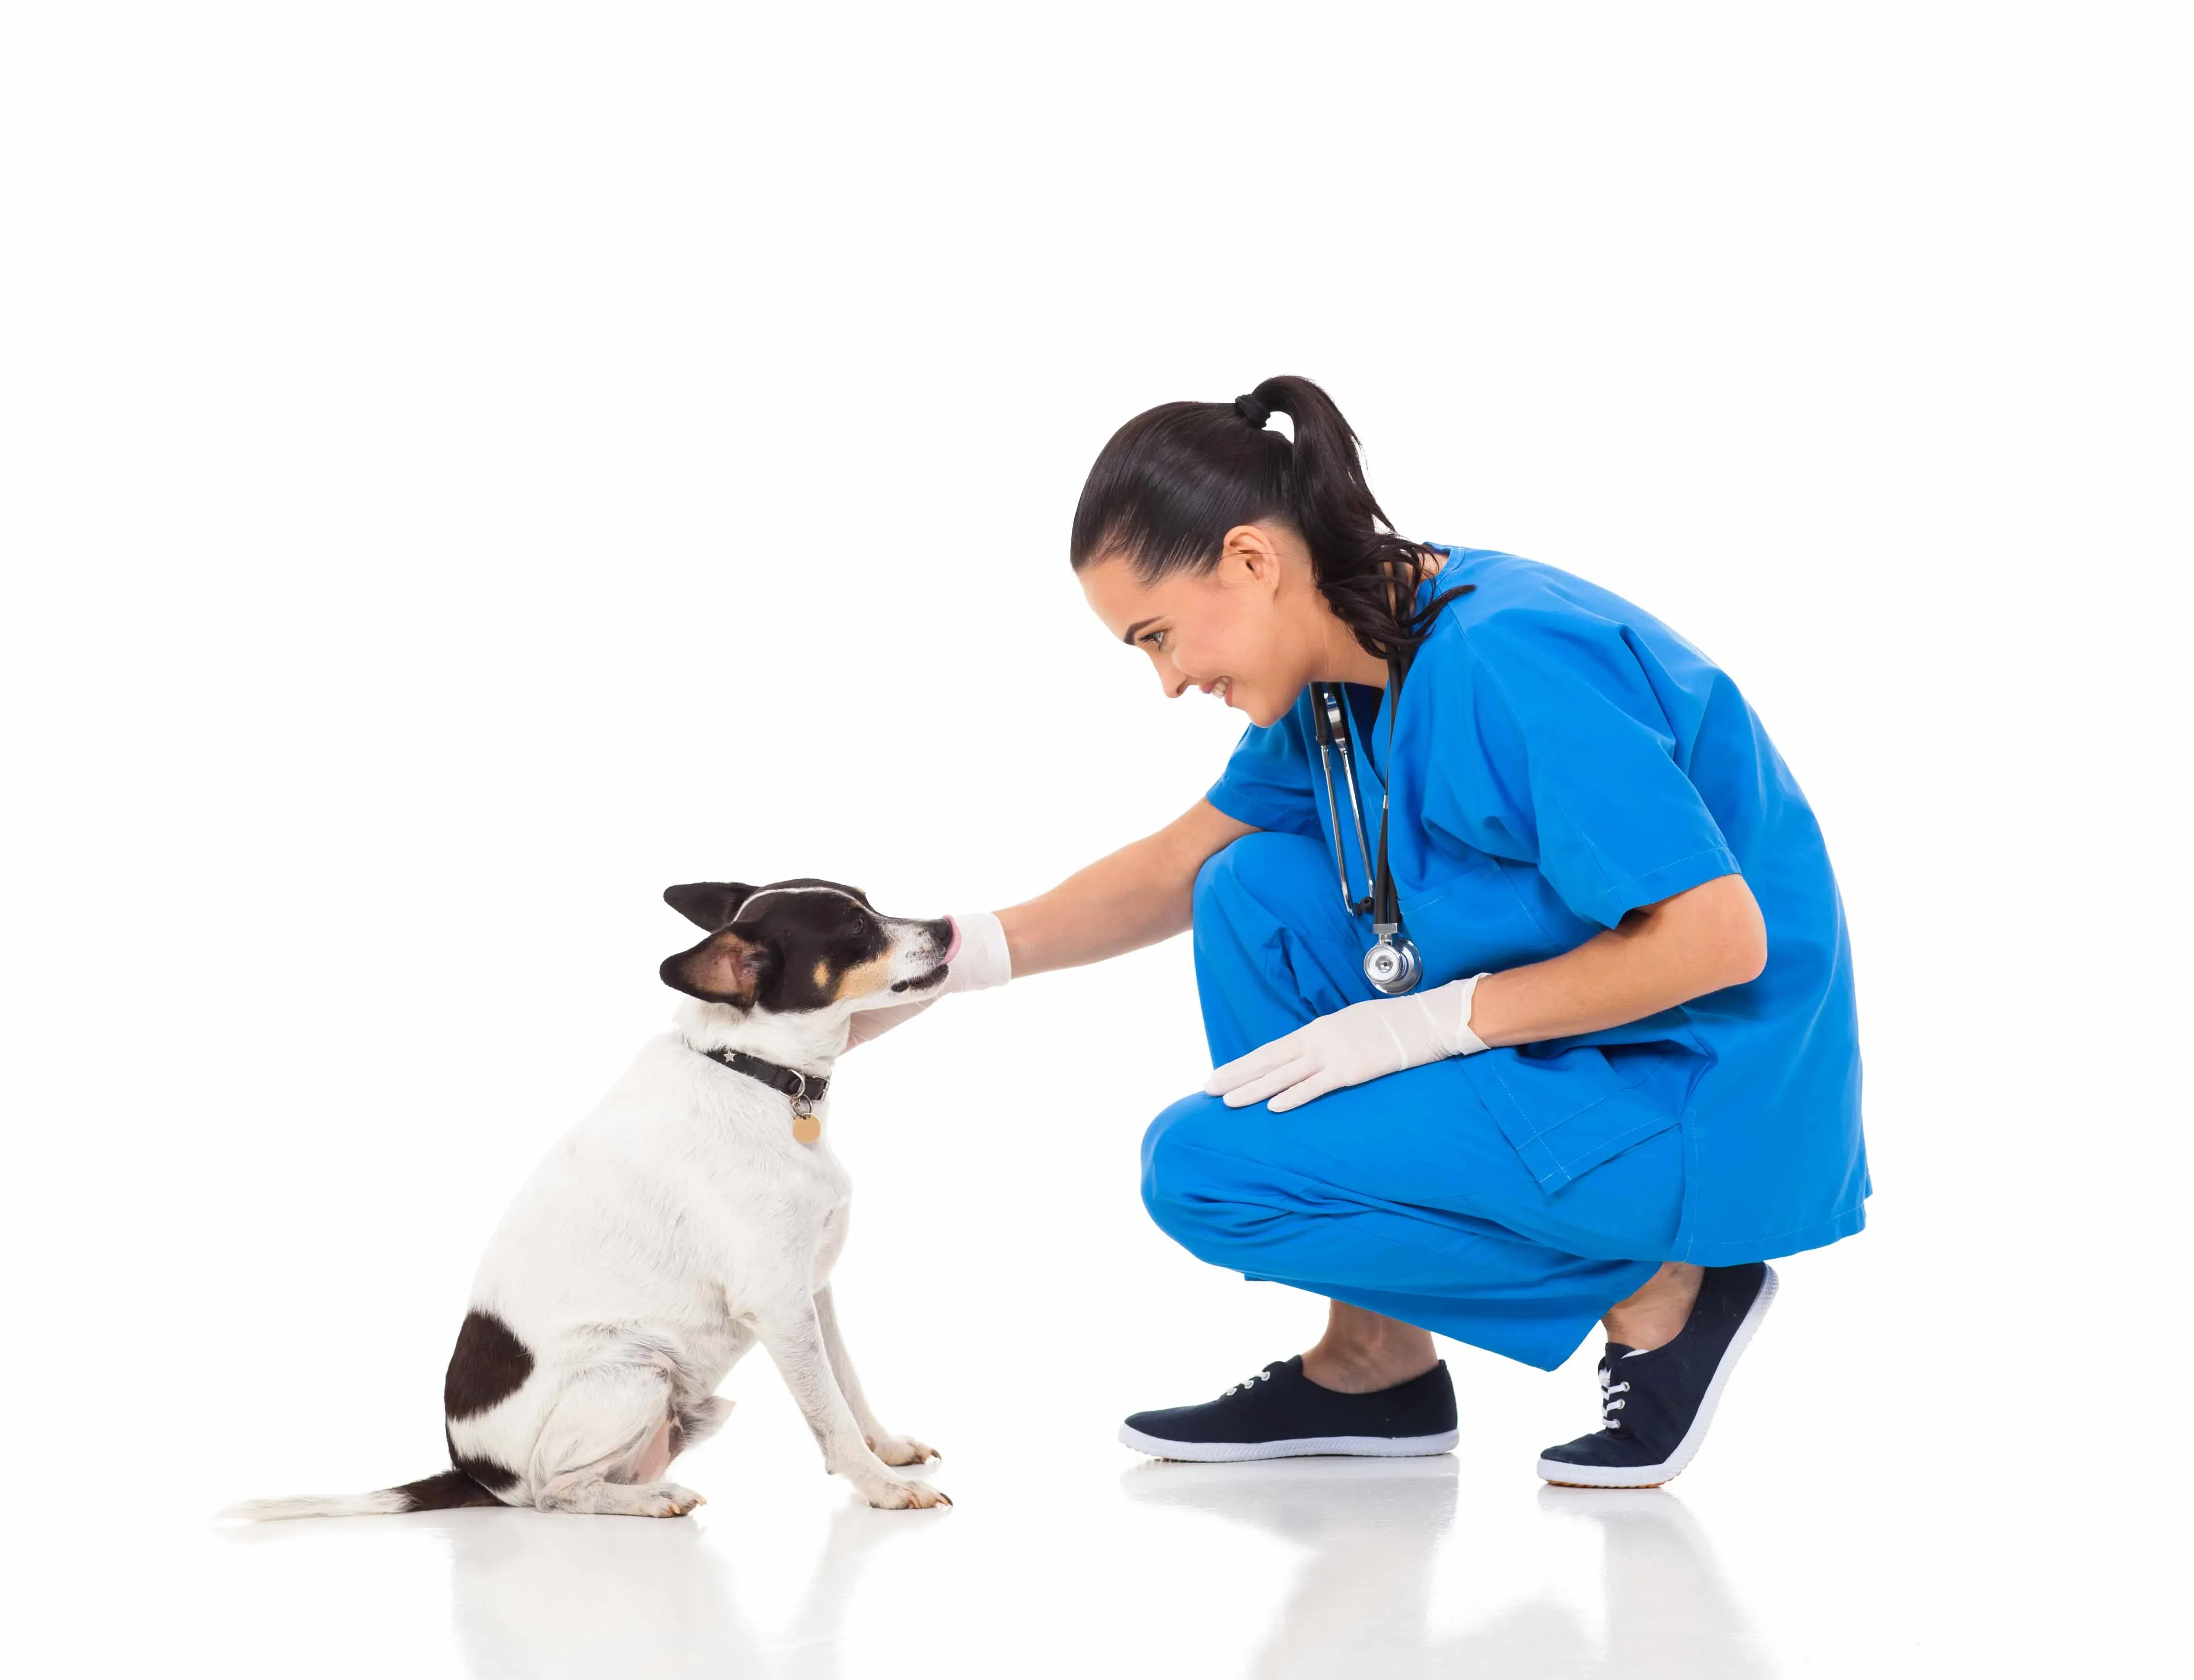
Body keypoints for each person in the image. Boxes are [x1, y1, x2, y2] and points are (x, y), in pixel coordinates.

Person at [865, 375, 1867, 1486]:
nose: (1167, 680)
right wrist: (935, 959)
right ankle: (1374, 1360)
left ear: (1250, 560)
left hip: (1693, 1091)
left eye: (1157, 635)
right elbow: (1175, 864)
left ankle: (1668, 1288)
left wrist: (1428, 1024)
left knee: (1206, 1170)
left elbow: (1718, 940)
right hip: (1583, 1060)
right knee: (1250, 888)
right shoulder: (1343, 670)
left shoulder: (1505, 654)